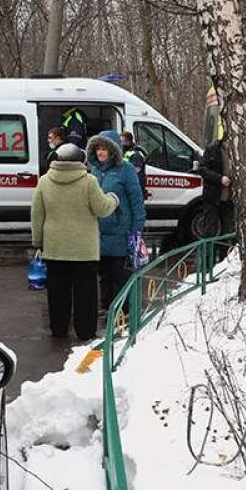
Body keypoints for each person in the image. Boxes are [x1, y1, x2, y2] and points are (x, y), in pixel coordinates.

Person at [31, 143, 118, 340]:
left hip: (54, 247)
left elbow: (37, 215)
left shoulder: (44, 181)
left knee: (57, 292)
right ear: (81, 160)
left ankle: (59, 330)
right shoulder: (89, 181)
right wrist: (113, 199)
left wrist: (38, 242)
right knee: (85, 293)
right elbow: (102, 209)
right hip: (84, 250)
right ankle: (85, 332)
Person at [88, 131, 146, 314]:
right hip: (99, 230)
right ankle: (106, 306)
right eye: (98, 148)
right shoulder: (94, 170)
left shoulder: (126, 169)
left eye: (104, 148)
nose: (100, 152)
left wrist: (136, 228)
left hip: (120, 230)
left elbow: (136, 199)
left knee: (120, 274)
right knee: (103, 273)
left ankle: (124, 310)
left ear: (113, 150)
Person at [197, 137, 234, 237]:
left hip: (229, 200)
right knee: (210, 229)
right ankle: (209, 247)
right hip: (212, 197)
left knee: (227, 231)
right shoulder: (212, 149)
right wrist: (219, 179)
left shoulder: (237, 152)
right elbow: (202, 169)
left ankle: (224, 247)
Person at [119, 131, 147, 197]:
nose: (121, 143)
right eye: (120, 141)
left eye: (123, 141)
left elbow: (136, 170)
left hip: (135, 185)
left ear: (129, 141)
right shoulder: (126, 151)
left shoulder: (136, 153)